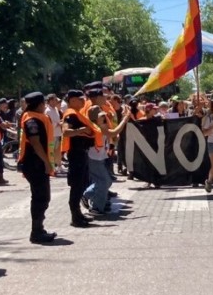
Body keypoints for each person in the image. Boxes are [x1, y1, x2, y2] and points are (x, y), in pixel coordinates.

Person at [17, 92, 58, 244]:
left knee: (42, 197)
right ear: (40, 104)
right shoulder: (32, 119)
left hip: (37, 162)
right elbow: (35, 142)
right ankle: (36, 231)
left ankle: (39, 229)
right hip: (34, 163)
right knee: (41, 197)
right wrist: (47, 163)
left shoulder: (35, 116)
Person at [83, 89, 130, 215]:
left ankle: (87, 195)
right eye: (101, 117)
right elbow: (113, 132)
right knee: (104, 181)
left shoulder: (98, 117)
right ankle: (96, 207)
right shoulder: (95, 118)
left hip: (99, 155)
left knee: (106, 181)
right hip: (94, 156)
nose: (104, 118)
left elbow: (111, 132)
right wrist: (125, 119)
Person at [61, 89, 103, 227]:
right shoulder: (70, 115)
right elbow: (66, 132)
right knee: (76, 186)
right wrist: (81, 130)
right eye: (80, 99)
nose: (83, 101)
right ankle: (75, 217)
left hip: (82, 153)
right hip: (76, 154)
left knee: (80, 185)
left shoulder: (78, 113)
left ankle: (78, 214)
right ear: (72, 101)